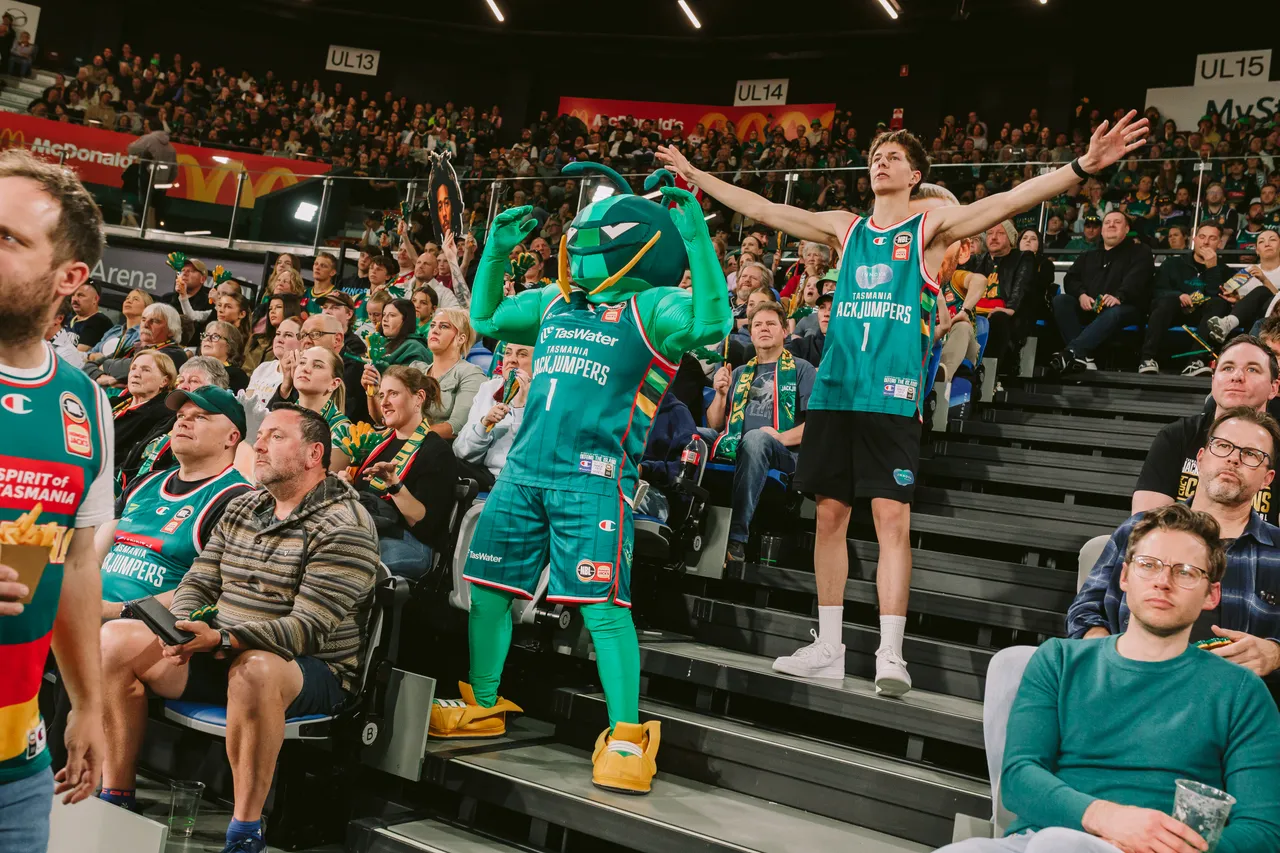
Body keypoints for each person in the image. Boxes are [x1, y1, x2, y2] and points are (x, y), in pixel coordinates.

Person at [658, 110, 1150, 695]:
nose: (879, 161)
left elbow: (1010, 199)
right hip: (837, 394)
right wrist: (694, 172)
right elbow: (767, 209)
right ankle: (830, 645)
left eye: (892, 156)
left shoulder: (930, 226)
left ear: (915, 174)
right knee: (830, 519)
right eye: (875, 155)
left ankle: (891, 654)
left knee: (892, 520)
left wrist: (1079, 167)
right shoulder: (846, 227)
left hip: (890, 398)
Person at [440, 174, 732, 795]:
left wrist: (697, 237)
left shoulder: (652, 307)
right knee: (489, 591)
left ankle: (626, 732)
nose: (579, 244)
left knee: (604, 609)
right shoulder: (553, 302)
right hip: (521, 474)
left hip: (595, 481)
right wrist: (494, 251)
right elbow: (486, 315)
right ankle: (484, 702)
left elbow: (713, 322)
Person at [98, 404, 380, 853]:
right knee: (114, 639)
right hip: (223, 649)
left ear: (314, 454)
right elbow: (198, 579)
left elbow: (308, 630)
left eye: (276, 437)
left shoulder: (345, 525)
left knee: (257, 670)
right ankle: (116, 793)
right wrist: (185, 626)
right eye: (260, 434)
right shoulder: (245, 505)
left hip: (309, 669)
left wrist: (225, 638)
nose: (260, 444)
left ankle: (244, 831)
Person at [938, 503, 1280, 853]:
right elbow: (1020, 778)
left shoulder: (1242, 693)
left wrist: (1170, 847)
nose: (1163, 582)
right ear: (1125, 577)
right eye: (1149, 565)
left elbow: (1262, 830)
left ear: (1212, 594)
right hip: (1044, 838)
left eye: (1187, 572)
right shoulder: (1058, 660)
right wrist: (1109, 819)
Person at [0, 149, 113, 849]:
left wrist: (89, 703)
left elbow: (71, 563)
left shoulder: (84, 403)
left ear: (70, 277)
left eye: (8, 239)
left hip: (16, 770)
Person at [1071, 408, 1280, 683]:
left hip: (1230, 708)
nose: (1233, 458)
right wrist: (1107, 656)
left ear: (1267, 479)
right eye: (1223, 445)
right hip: (1125, 686)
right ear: (1201, 459)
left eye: (1251, 454)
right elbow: (1084, 609)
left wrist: (1275, 653)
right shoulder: (1139, 529)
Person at [99, 386, 251, 614]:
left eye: (200, 417)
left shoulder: (236, 499)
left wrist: (116, 610)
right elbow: (91, 558)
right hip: (92, 610)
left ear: (231, 437)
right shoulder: (144, 483)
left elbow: (210, 589)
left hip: (152, 627)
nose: (182, 422)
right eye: (180, 416)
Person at [706, 302, 815, 562]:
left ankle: (736, 539)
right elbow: (715, 425)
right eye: (757, 325)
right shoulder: (740, 372)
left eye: (770, 324)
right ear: (751, 333)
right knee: (695, 436)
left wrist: (778, 437)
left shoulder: (802, 369)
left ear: (784, 331)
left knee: (755, 439)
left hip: (784, 453)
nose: (763, 329)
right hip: (737, 443)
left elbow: (817, 426)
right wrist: (721, 395)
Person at [1133, 335, 1280, 525]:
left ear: (1274, 387)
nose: (1237, 376)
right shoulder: (1176, 436)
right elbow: (1146, 527)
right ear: (1213, 380)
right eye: (1228, 368)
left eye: (1252, 369)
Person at [353, 366, 458, 578]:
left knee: (346, 560)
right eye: (382, 394)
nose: (384, 403)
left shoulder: (436, 451)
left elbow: (425, 526)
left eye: (393, 394)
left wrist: (394, 484)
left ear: (418, 398)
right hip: (369, 532)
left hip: (411, 543)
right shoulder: (379, 445)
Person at [1048, 210, 1153, 374]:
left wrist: (1120, 296)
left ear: (1126, 229)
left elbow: (1138, 278)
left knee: (1114, 312)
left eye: (1117, 222)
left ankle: (1073, 351)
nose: (1111, 225)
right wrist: (1081, 295)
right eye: (1107, 222)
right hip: (1091, 308)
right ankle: (1084, 356)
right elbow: (1071, 279)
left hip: (1125, 308)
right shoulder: (1089, 255)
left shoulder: (1140, 251)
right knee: (1061, 301)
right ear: (1102, 230)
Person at [1140, 223, 1230, 375]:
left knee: (1219, 304)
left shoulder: (1224, 270)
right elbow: (1156, 291)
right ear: (1194, 239)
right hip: (1172, 312)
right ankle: (1147, 359)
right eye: (1202, 237)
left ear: (1220, 243)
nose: (1206, 242)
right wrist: (1178, 296)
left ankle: (1196, 361)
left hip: (1203, 318)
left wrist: (1212, 269)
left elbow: (1219, 297)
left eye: (1212, 238)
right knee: (1166, 301)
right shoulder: (1173, 263)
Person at [454, 342, 532, 489]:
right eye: (508, 353)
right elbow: (461, 451)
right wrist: (484, 425)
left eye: (522, 354)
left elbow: (528, 456)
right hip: (485, 474)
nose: (512, 359)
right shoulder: (489, 388)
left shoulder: (546, 395)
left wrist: (520, 408)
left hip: (518, 480)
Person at [273, 346, 353, 473]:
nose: (305, 369)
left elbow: (325, 483)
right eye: (302, 362)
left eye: (317, 366)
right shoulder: (281, 417)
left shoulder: (341, 430)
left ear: (334, 383)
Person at [418, 308, 485, 440]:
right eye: (432, 325)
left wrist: (410, 436)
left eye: (444, 326)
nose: (435, 330)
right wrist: (372, 393)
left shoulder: (471, 373)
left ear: (461, 338)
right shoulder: (417, 370)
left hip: (442, 451)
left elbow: (456, 427)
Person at [84, 302, 186, 389]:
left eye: (154, 321)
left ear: (171, 330)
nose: (145, 325)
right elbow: (87, 366)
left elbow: (130, 368)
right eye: (143, 320)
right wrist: (102, 378)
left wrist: (105, 365)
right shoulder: (131, 348)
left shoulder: (175, 353)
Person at [110, 350, 178, 470]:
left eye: (146, 370)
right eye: (133, 368)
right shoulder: (114, 402)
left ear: (164, 381)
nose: (135, 374)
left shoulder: (163, 415)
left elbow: (130, 460)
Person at [84, 288, 151, 366]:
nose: (128, 301)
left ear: (147, 308)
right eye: (127, 298)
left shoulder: (144, 334)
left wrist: (99, 359)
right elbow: (90, 353)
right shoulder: (114, 330)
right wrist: (92, 356)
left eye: (135, 299)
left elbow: (128, 361)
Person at [199, 320, 249, 393]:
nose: (207, 339)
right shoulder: (191, 369)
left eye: (215, 336)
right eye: (205, 335)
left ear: (230, 346)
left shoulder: (235, 375)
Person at [66, 282, 113, 353]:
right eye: (73, 295)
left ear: (95, 299)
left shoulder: (99, 321)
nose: (74, 299)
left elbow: (77, 356)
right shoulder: (68, 317)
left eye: (80, 295)